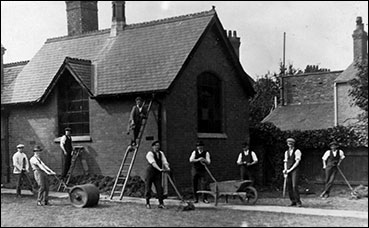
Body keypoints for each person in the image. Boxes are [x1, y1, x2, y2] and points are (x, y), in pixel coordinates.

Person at [145, 140, 170, 209]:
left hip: (157, 174)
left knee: (159, 188)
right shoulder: (150, 154)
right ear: (153, 147)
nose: (157, 147)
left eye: (158, 146)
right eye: (156, 146)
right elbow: (153, 163)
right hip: (150, 172)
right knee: (148, 188)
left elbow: (164, 161)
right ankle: (147, 203)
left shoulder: (161, 153)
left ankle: (161, 203)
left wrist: (167, 167)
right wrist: (159, 169)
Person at [282, 138, 302, 207]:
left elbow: (297, 162)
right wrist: (285, 169)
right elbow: (285, 162)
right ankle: (293, 201)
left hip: (294, 170)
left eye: (291, 144)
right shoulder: (286, 152)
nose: (290, 145)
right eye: (288, 144)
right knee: (289, 186)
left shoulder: (297, 151)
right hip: (288, 170)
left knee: (294, 186)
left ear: (293, 144)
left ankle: (298, 201)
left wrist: (290, 170)